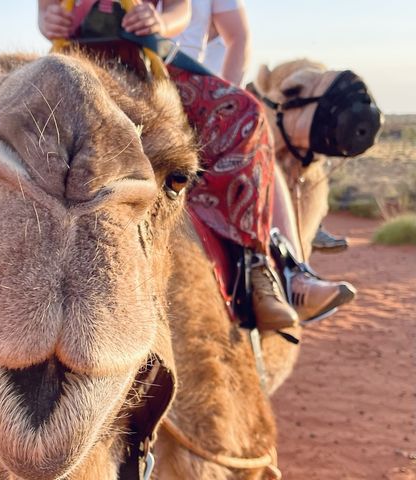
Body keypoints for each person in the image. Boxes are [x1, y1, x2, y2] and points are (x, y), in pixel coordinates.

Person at [37, 0, 354, 329]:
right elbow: (45, 9)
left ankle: (257, 265)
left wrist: (159, 21)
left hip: (148, 64)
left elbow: (181, 11)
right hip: (73, 65)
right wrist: (49, 21)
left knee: (246, 112)